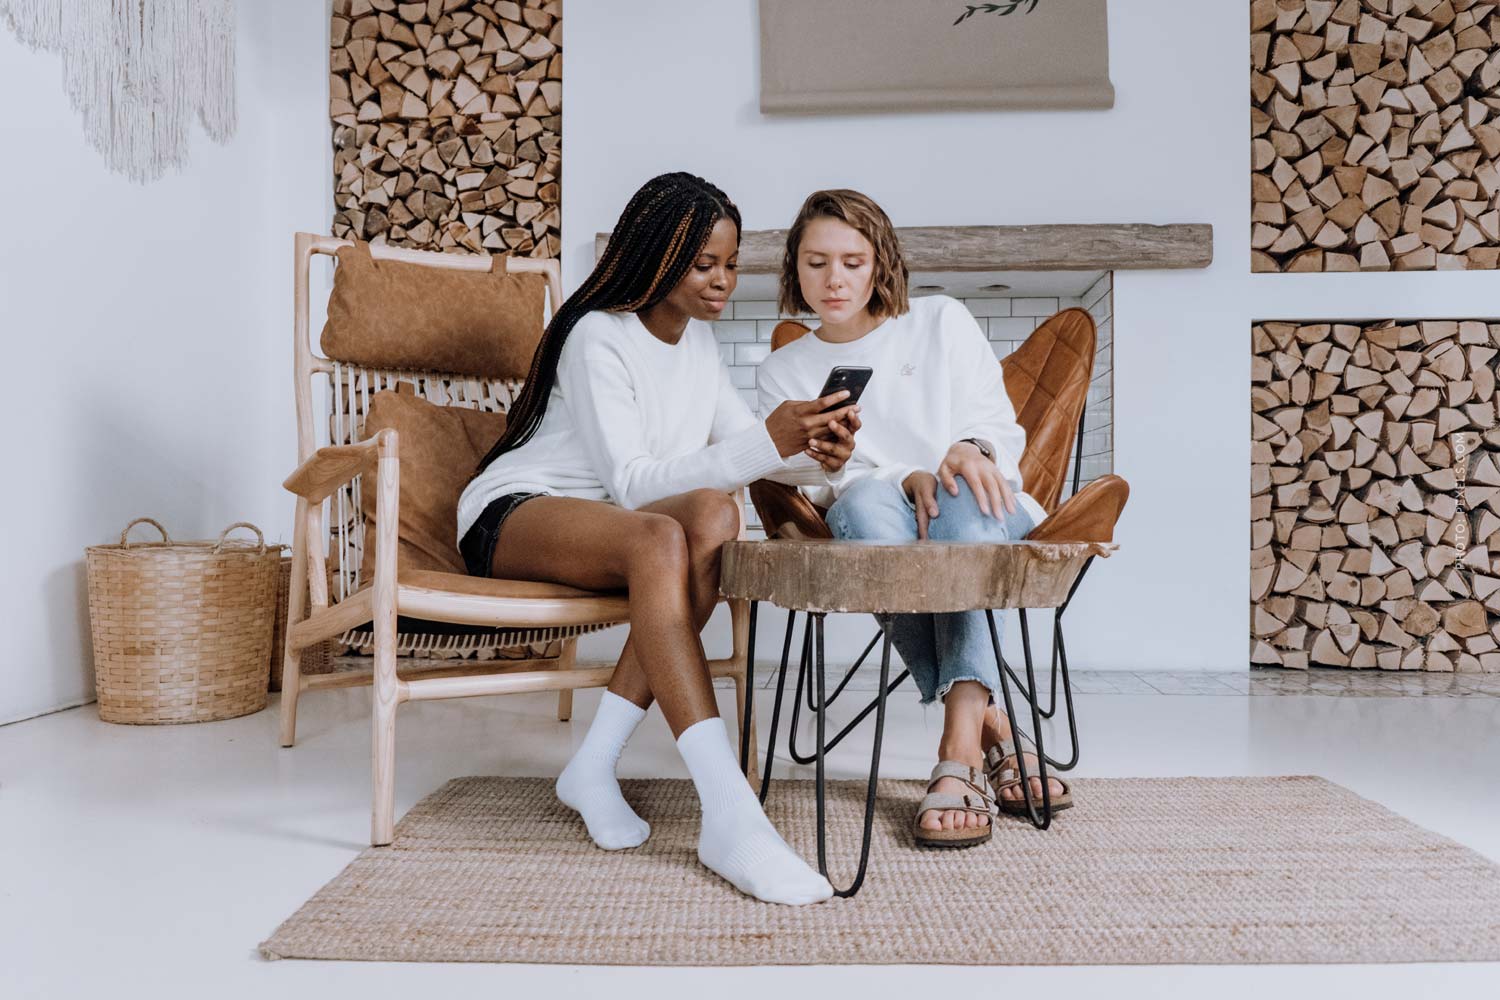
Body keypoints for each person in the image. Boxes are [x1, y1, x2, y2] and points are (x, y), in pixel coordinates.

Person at [457, 172, 860, 904]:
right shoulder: (595, 334)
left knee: (711, 513)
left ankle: (592, 764)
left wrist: (819, 454)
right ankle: (731, 812)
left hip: (620, 525)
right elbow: (633, 486)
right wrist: (767, 444)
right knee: (660, 537)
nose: (722, 281)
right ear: (656, 257)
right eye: (704, 264)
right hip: (519, 511)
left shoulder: (698, 347)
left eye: (731, 265)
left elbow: (745, 449)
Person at [757, 189, 1071, 849]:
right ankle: (995, 726)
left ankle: (956, 751)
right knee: (868, 508)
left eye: (851, 261)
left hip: (979, 512)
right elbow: (812, 478)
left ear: (881, 265)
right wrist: (903, 475)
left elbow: (995, 425)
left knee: (961, 498)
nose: (834, 279)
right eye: (816, 263)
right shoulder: (786, 370)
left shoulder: (940, 321)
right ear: (795, 267)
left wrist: (966, 451)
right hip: (882, 520)